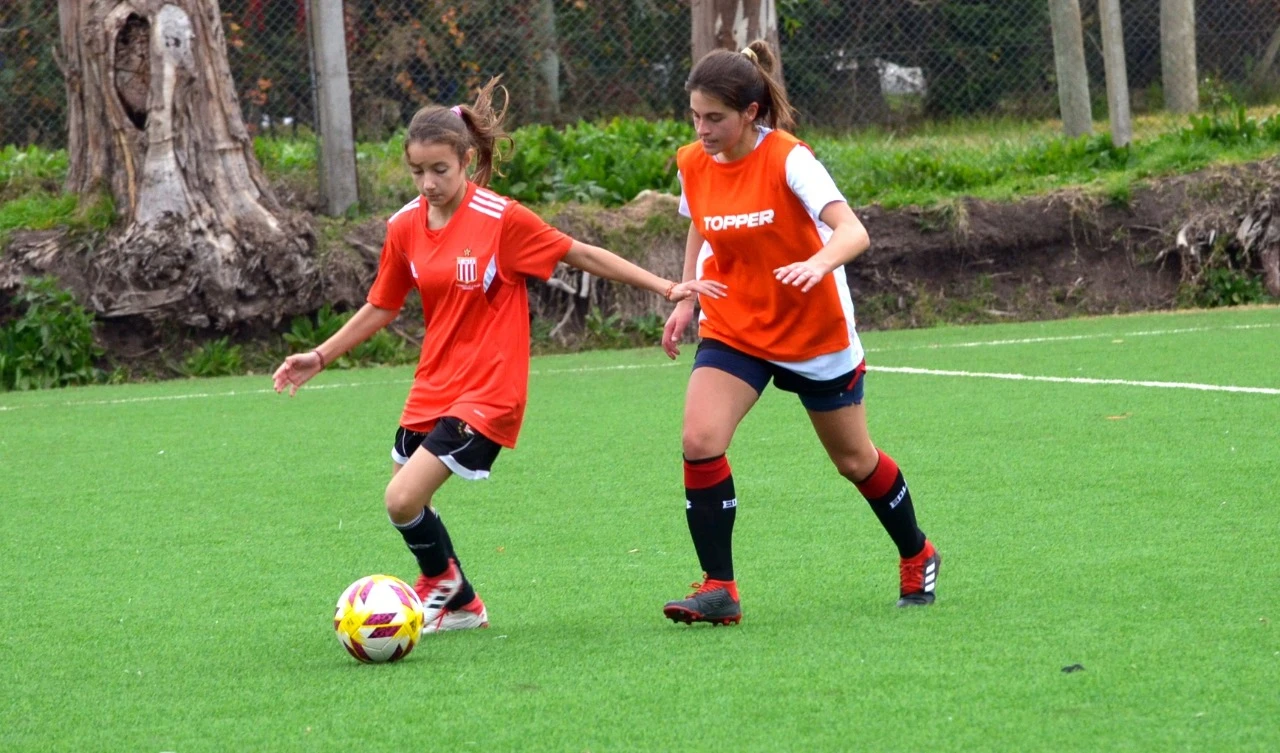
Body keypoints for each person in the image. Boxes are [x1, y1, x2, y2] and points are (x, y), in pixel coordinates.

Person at [273, 78, 723, 634]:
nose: (428, 183)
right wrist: (320, 355)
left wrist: (665, 286)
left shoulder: (500, 219)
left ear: (465, 160)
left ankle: (439, 587)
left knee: (399, 499)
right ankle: (462, 602)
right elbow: (381, 305)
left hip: (489, 388)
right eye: (417, 172)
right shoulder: (404, 226)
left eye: (440, 169)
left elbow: (579, 253)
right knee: (410, 505)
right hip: (433, 383)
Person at [659, 42, 940, 626]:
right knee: (699, 439)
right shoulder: (692, 161)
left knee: (854, 459)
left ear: (752, 112)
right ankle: (720, 589)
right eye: (695, 116)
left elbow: (852, 231)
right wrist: (686, 295)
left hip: (814, 330)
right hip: (734, 323)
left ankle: (917, 552)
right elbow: (699, 227)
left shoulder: (790, 159)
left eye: (715, 118)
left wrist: (819, 264)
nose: (703, 129)